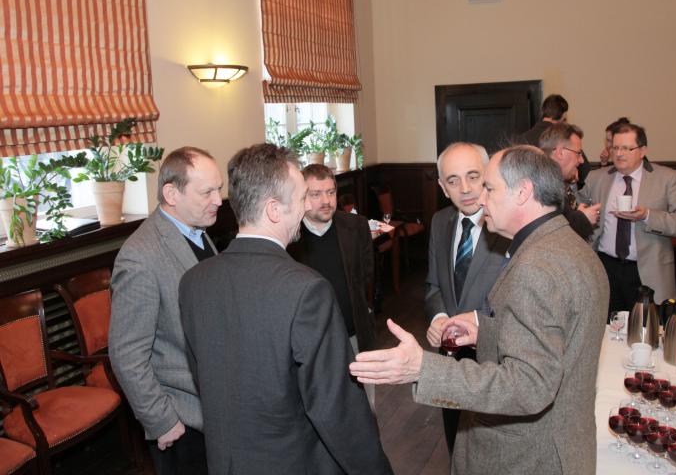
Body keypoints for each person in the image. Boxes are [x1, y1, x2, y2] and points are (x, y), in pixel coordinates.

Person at [350, 145, 609, 474]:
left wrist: (422, 368)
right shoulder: (567, 244)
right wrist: (486, 331)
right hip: (560, 444)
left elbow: (529, 386)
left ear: (522, 192)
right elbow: (558, 341)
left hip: (527, 456)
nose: (480, 198)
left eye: (489, 187)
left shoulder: (536, 265)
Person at [179, 143, 392, 475]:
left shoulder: (193, 282)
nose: (307, 206)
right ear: (274, 210)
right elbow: (336, 407)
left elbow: (205, 378)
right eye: (302, 198)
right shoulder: (307, 290)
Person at [109, 146, 223, 475]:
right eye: (207, 192)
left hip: (213, 405)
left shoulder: (197, 232)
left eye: (219, 189)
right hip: (182, 419)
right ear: (172, 194)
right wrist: (162, 421)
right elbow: (127, 354)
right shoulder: (139, 257)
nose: (218, 200)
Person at [424, 142, 510, 453]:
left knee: (492, 453)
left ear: (488, 175)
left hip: (496, 361)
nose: (465, 188)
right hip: (450, 361)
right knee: (455, 447)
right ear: (442, 187)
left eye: (473, 176)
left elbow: (518, 300)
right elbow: (434, 285)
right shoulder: (440, 222)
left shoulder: (508, 225)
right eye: (453, 180)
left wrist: (473, 319)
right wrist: (439, 318)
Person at [287, 163, 376, 407]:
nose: (326, 201)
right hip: (312, 343)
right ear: (302, 197)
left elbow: (367, 274)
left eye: (330, 192)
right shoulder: (290, 237)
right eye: (316, 194)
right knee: (324, 406)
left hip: (355, 333)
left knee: (366, 407)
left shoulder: (356, 226)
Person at [581, 122, 676, 312]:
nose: (619, 154)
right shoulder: (597, 177)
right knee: (608, 324)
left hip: (648, 271)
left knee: (644, 327)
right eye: (615, 147)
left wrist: (647, 216)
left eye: (626, 148)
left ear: (642, 151)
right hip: (605, 266)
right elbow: (577, 208)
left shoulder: (666, 178)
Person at [538, 122, 601, 240]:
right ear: (560, 153)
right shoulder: (543, 187)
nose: (581, 160)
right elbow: (551, 235)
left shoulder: (549, 181)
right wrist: (583, 219)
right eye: (578, 153)